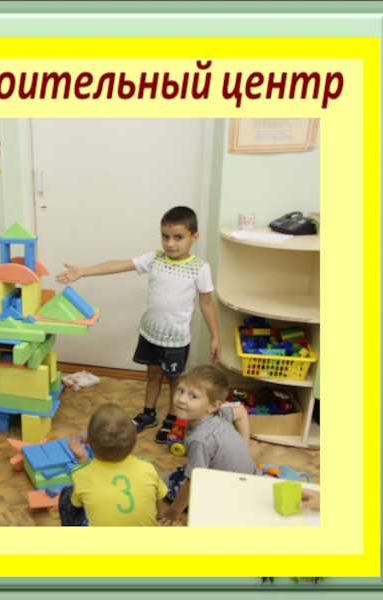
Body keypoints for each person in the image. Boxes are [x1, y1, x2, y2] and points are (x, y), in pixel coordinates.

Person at [56, 206, 221, 443]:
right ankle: (148, 415)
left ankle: (173, 418)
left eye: (178, 237)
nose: (170, 243)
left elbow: (206, 303)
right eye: (165, 236)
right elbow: (121, 264)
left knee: (175, 381)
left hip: (175, 340)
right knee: (152, 374)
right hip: (150, 333)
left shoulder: (200, 268)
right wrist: (84, 271)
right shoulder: (154, 258)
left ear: (194, 237)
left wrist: (215, 336)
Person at [159, 365, 257, 526]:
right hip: (251, 479)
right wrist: (243, 449)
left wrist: (173, 512)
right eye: (181, 390)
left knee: (165, 480)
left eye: (193, 396)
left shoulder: (200, 439)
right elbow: (241, 413)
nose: (181, 399)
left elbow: (194, 481)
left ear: (212, 406)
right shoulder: (218, 414)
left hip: (229, 498)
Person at [58, 403, 168, 527]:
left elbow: (78, 504)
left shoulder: (79, 474)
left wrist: (83, 461)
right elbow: (159, 506)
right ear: (135, 440)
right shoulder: (147, 466)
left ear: (88, 441)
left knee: (67, 495)